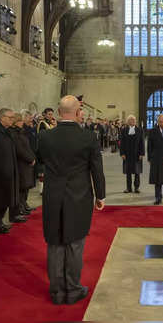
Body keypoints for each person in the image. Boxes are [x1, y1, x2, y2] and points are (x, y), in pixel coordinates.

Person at [37, 95, 105, 305]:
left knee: (55, 243)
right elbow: (96, 169)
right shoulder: (88, 137)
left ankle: (57, 291)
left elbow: (39, 161)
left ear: (58, 113)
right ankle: (73, 289)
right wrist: (100, 195)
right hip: (79, 196)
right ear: (77, 113)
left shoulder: (45, 137)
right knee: (75, 244)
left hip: (53, 196)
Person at [0, 108, 22, 232]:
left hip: (9, 170)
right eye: (10, 117)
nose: (12, 120)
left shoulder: (8, 132)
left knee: (5, 199)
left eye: (13, 117)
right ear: (2, 118)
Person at [9, 113, 36, 216]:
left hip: (26, 163)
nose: (22, 123)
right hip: (21, 163)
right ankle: (19, 207)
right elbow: (19, 149)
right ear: (16, 122)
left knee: (25, 186)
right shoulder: (14, 133)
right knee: (21, 187)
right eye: (20, 121)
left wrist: (32, 157)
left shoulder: (21, 132)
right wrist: (30, 159)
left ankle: (23, 204)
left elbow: (27, 147)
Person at [119, 115, 144, 194]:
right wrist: (122, 153)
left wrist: (142, 153)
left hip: (137, 154)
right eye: (130, 120)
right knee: (128, 172)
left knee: (137, 172)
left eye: (133, 120)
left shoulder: (140, 130)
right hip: (127, 154)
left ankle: (136, 188)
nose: (132, 121)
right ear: (127, 121)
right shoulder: (124, 130)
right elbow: (121, 143)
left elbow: (142, 143)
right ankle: (128, 188)